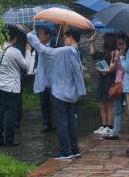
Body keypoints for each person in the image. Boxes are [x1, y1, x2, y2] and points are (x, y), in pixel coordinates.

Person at [27, 26, 87, 160]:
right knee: (71, 121)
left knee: (62, 122)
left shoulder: (66, 50)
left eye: (65, 38)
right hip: (72, 94)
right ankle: (74, 149)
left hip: (60, 93)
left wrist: (31, 36)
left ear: (70, 39)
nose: (64, 40)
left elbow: (44, 51)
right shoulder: (76, 52)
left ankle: (65, 151)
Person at [0, 25, 32, 147]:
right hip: (12, 87)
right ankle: (9, 139)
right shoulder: (15, 52)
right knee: (10, 113)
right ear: (14, 38)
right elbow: (26, 66)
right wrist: (28, 51)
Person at [93, 35, 119, 137]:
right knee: (102, 104)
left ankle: (110, 127)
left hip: (110, 80)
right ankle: (104, 126)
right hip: (103, 80)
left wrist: (100, 70)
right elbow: (93, 54)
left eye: (103, 40)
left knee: (109, 104)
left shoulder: (114, 53)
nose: (102, 42)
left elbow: (112, 69)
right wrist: (91, 42)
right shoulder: (104, 54)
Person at [32, 25, 55, 132]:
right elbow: (37, 58)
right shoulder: (39, 46)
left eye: (41, 34)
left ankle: (55, 123)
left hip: (53, 78)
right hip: (42, 78)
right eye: (38, 34)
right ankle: (46, 124)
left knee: (53, 102)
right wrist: (35, 67)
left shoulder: (56, 45)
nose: (39, 37)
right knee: (44, 102)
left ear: (48, 35)